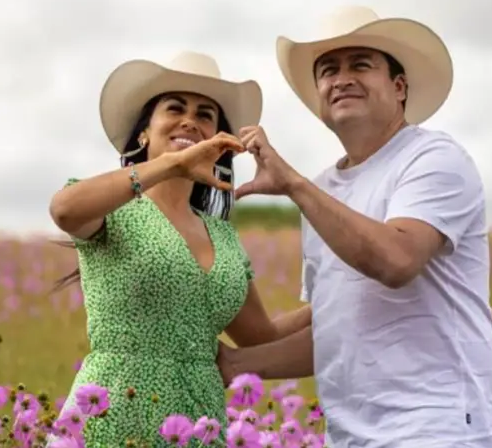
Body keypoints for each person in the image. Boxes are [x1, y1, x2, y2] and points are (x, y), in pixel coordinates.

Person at [217, 7, 492, 447]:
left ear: (399, 86)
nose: (342, 78)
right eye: (328, 70)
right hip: (351, 437)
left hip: (439, 430)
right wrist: (236, 365)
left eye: (361, 65)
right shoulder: (323, 190)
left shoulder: (434, 158)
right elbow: (336, 329)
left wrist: (293, 185)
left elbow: (396, 260)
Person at [47, 51, 310, 447]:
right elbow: (64, 209)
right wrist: (172, 164)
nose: (190, 120)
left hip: (198, 424)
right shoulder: (116, 211)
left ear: (220, 143)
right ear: (143, 134)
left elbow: (261, 335)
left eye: (206, 115)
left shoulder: (222, 237)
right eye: (175, 108)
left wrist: (333, 303)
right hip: (112, 416)